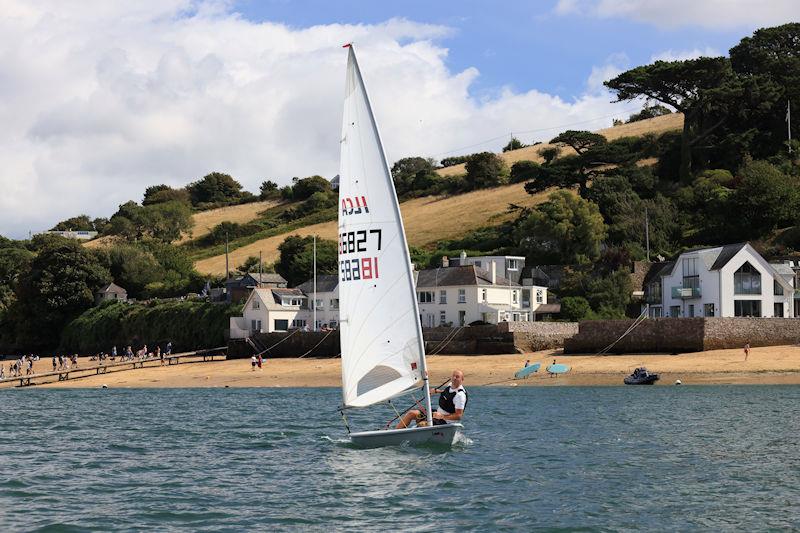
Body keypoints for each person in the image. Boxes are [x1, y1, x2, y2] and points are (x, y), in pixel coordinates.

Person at [397, 369, 467, 429]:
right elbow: (448, 394)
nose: (454, 378)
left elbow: (458, 416)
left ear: (462, 379)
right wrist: (436, 391)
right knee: (411, 413)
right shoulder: (450, 385)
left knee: (421, 424)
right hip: (436, 414)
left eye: (457, 377)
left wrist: (442, 416)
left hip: (446, 422)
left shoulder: (460, 396)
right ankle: (395, 433)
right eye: (453, 376)